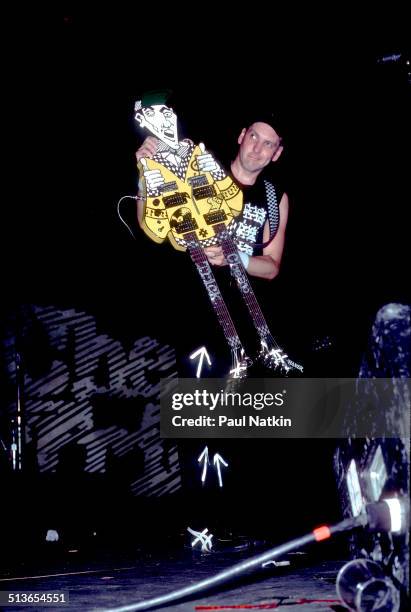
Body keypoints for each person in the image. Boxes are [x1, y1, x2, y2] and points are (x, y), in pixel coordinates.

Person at [134, 90, 290, 379]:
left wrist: (236, 257)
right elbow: (149, 224)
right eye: (254, 136)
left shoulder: (274, 197)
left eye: (268, 144)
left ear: (277, 153)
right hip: (197, 323)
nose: (257, 148)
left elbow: (272, 267)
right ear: (242, 136)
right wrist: (145, 172)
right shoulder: (201, 169)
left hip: (249, 329)